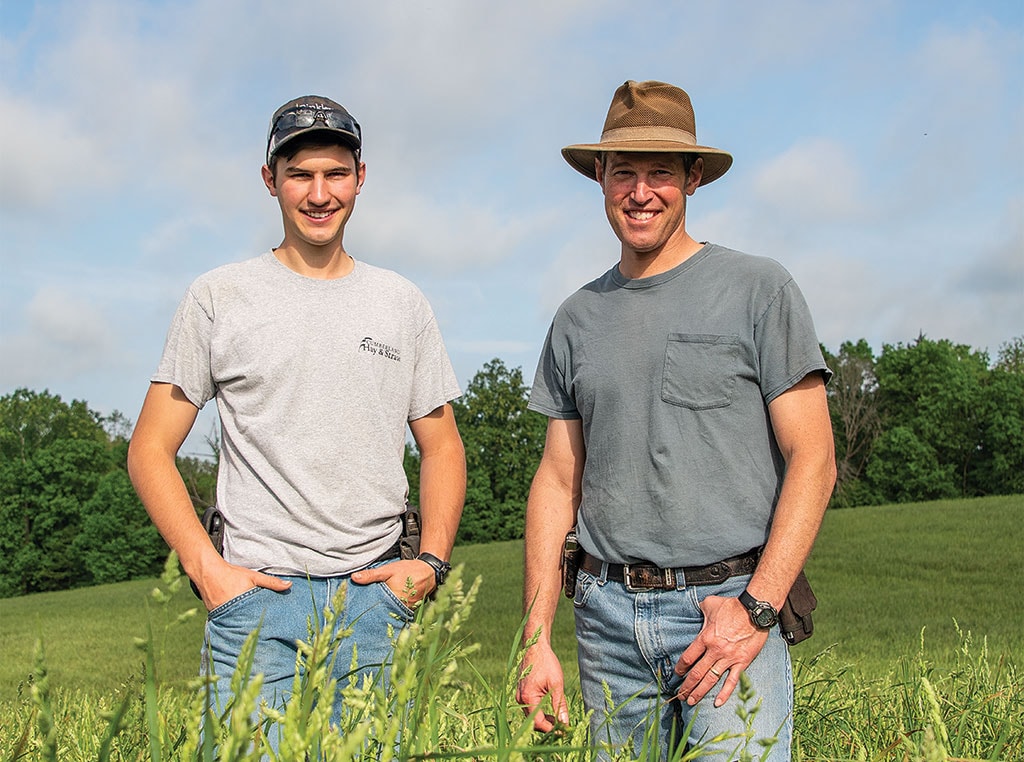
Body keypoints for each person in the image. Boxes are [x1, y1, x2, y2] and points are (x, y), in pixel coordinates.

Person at [516, 80, 836, 759]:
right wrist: (535, 636)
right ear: (599, 177)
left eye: (660, 171)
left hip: (725, 609)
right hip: (606, 619)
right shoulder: (575, 318)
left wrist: (756, 611)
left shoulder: (758, 289)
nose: (640, 191)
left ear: (694, 179)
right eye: (624, 171)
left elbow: (815, 458)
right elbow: (556, 480)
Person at [127, 95, 466, 728]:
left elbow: (442, 445)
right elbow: (148, 448)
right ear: (270, 181)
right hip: (255, 601)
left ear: (360, 179)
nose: (319, 193)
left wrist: (429, 565)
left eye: (336, 174)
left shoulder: (402, 303)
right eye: (300, 175)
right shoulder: (219, 297)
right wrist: (209, 573)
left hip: (375, 599)